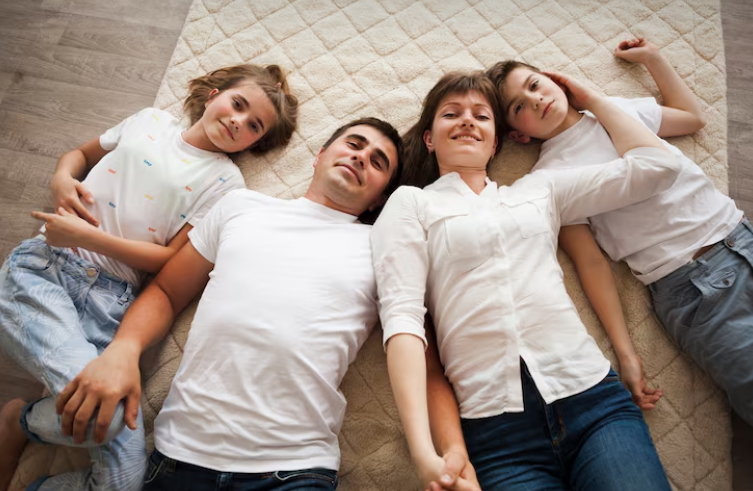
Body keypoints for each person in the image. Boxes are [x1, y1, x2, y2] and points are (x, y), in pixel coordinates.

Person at [39, 118, 410, 491]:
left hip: (296, 466)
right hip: (182, 456)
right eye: (354, 144)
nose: (361, 157)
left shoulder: (383, 248)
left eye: (378, 162)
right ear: (320, 155)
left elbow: (414, 337)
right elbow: (167, 291)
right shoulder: (240, 206)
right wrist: (124, 348)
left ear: (379, 198)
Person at [371, 70, 682, 490]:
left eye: (482, 115)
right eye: (451, 114)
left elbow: (659, 166)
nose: (467, 120)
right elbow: (403, 320)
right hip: (497, 436)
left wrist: (591, 99)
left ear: (495, 143)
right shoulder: (411, 203)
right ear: (429, 138)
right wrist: (424, 452)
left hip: (593, 400)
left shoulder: (540, 189)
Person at [0, 64, 298, 491]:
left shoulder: (226, 182)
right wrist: (61, 179)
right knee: (107, 414)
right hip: (45, 271)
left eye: (254, 126)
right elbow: (79, 156)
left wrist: (89, 237)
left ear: (255, 142)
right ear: (213, 95)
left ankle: (23, 423)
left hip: (111, 305)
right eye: (237, 104)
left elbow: (167, 260)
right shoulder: (150, 121)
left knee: (126, 476)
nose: (239, 122)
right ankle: (23, 421)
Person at [487, 37, 751, 424]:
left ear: (555, 80)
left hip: (740, 235)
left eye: (534, 84)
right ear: (518, 136)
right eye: (519, 107)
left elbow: (692, 118)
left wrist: (651, 60)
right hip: (693, 286)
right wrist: (626, 354)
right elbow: (591, 264)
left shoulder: (616, 109)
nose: (536, 99)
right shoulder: (550, 180)